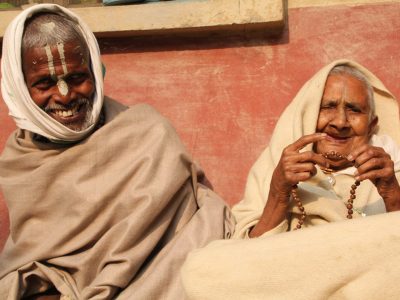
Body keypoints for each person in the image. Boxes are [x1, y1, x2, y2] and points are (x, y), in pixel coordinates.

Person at [0, 4, 234, 300]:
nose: (65, 95)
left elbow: (198, 227)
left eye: (77, 78)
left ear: (97, 72)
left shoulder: (148, 134)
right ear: (18, 88)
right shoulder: (19, 162)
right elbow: (30, 266)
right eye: (44, 83)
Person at [181, 60, 400, 299]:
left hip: (365, 288)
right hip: (295, 283)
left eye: (354, 110)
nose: (340, 122)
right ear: (307, 113)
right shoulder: (278, 166)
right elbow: (247, 252)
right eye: (328, 107)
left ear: (372, 124)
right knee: (201, 267)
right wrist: (278, 192)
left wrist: (392, 194)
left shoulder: (391, 170)